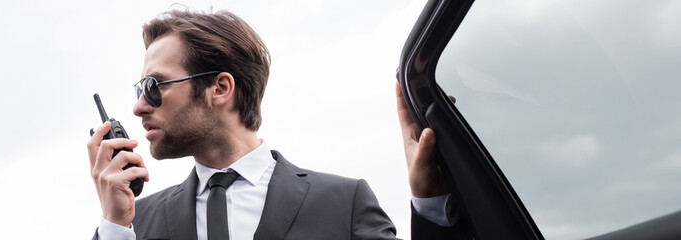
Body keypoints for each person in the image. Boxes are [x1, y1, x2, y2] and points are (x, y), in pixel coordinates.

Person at [87, 9, 459, 240]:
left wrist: (430, 202)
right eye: (139, 89)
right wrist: (116, 228)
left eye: (153, 86)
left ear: (220, 88)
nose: (138, 107)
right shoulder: (134, 224)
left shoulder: (343, 205)